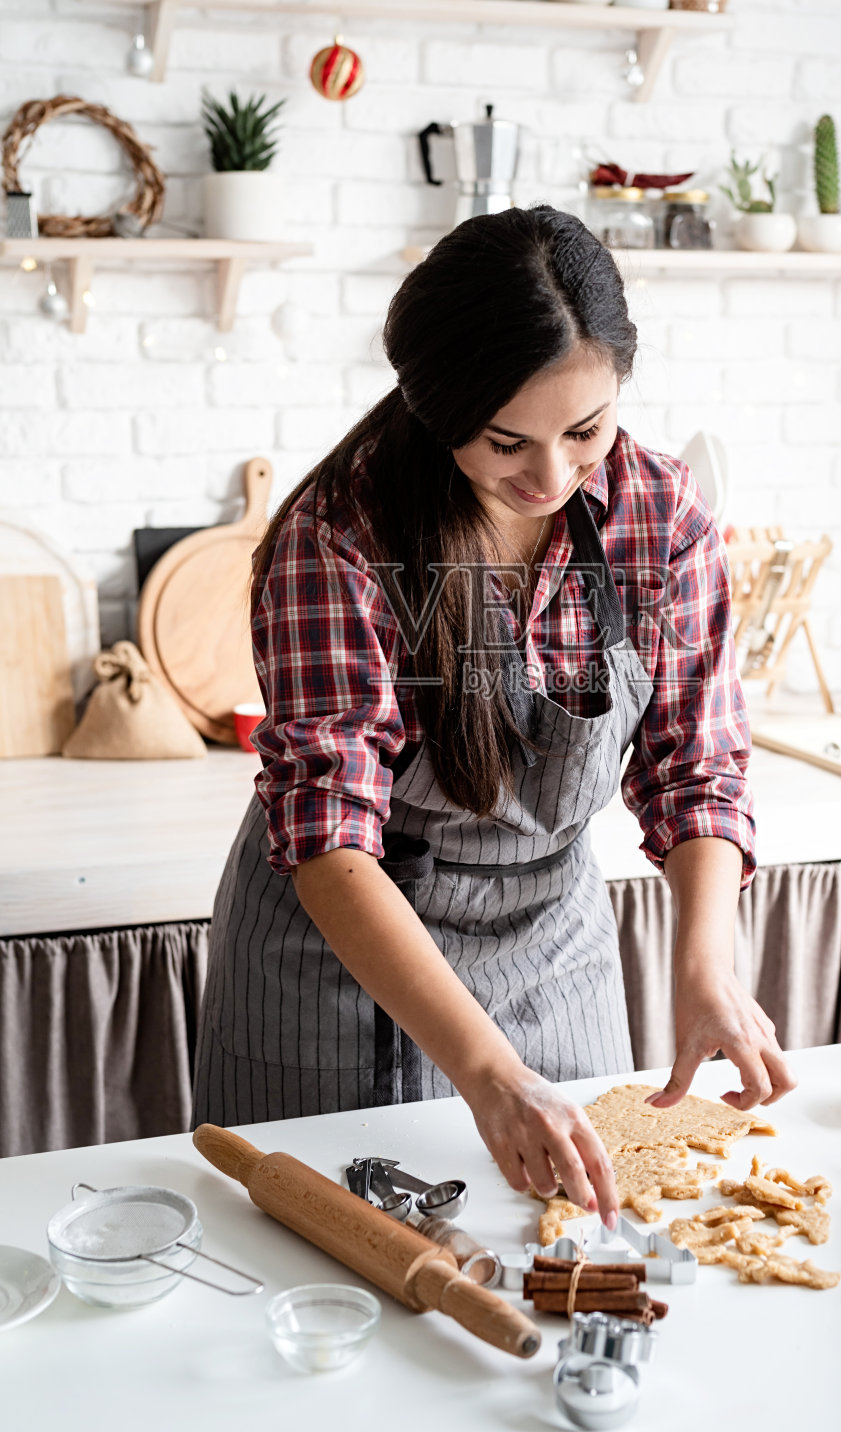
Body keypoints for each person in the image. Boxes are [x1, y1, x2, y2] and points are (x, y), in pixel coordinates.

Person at [192, 207, 793, 1224]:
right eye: (506, 440)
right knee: (333, 1267)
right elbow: (329, 832)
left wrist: (707, 968)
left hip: (552, 950)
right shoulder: (341, 535)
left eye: (586, 431)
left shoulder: (659, 514)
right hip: (338, 965)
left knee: (571, 1245)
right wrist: (486, 1069)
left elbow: (697, 769)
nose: (551, 478)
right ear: (438, 407)